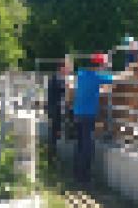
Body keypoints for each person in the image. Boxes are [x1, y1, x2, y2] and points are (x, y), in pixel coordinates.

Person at [73, 52, 113, 184]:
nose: (104, 68)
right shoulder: (97, 77)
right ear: (99, 65)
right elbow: (115, 79)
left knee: (79, 144)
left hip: (77, 113)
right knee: (88, 146)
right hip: (88, 115)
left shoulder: (81, 74)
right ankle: (84, 177)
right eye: (104, 65)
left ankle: (77, 173)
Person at [46, 59, 71, 162]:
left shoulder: (60, 79)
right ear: (61, 68)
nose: (68, 70)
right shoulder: (55, 79)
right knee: (54, 133)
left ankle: (54, 155)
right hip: (55, 110)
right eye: (66, 68)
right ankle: (51, 156)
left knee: (57, 132)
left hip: (58, 109)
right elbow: (59, 92)